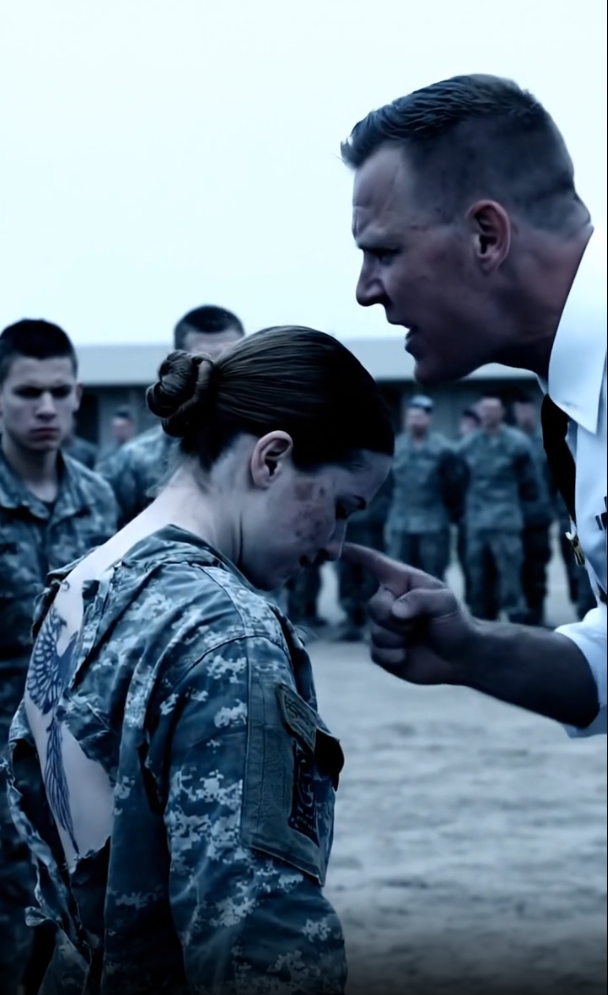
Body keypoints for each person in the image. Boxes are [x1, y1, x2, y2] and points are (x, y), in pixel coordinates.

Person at [7, 326, 394, 994]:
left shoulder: (79, 585)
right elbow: (257, 942)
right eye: (338, 506)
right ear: (271, 459)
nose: (335, 543)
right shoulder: (230, 633)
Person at [341, 73, 606, 736]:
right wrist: (474, 649)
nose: (365, 291)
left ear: (487, 236)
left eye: (384, 251)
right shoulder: (571, 398)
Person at [0, 319, 118, 995]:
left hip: (77, 750)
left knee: (78, 910)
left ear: (78, 396)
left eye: (59, 391)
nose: (45, 406)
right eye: (27, 391)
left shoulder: (98, 499)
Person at [99, 305, 245, 525]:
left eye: (229, 363)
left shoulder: (271, 452)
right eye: (203, 365)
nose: (216, 377)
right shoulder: (133, 463)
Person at [459, 394, 538, 623]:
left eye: (492, 410)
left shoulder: (517, 443)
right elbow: (457, 479)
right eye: (483, 410)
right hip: (477, 523)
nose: (487, 414)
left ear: (502, 413)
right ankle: (481, 624)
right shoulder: (468, 444)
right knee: (479, 578)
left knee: (511, 579)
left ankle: (516, 622)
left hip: (506, 522)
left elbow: (530, 484)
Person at [385, 394, 464, 581]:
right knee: (399, 574)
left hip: (433, 522)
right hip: (401, 522)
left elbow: (454, 487)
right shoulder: (394, 447)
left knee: (433, 575)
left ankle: (434, 610)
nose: (414, 422)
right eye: (411, 417)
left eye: (419, 417)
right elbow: (385, 485)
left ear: (429, 418)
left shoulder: (444, 449)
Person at [511, 391, 557, 625]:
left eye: (527, 409)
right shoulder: (510, 442)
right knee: (516, 569)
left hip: (539, 518)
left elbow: (555, 478)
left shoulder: (546, 440)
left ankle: (537, 614)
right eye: (519, 410)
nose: (524, 414)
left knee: (538, 567)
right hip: (513, 518)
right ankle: (522, 615)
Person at [336, 473, 393, 641]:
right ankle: (352, 621)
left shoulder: (377, 459)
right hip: (346, 525)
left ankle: (372, 622)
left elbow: (387, 494)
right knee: (346, 575)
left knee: (371, 576)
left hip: (370, 527)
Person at [455, 406, 481, 602]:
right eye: (466, 425)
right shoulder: (457, 453)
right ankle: (472, 601)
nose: (468, 429)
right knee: (469, 563)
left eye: (473, 425)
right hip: (466, 520)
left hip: (486, 519)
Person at [95, 405, 137, 472]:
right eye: (115, 428)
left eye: (122, 428)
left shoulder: (139, 453)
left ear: (131, 427)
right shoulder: (107, 454)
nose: (118, 432)